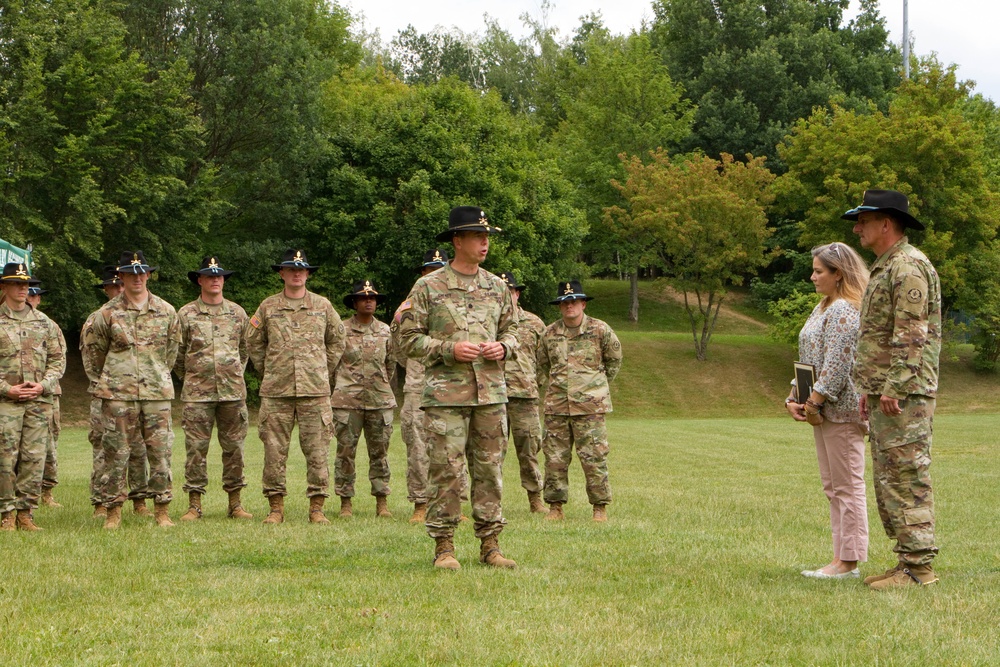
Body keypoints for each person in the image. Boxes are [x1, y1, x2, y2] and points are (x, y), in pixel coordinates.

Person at [396, 206, 519, 570]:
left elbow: (514, 330)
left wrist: (505, 347)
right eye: (477, 237)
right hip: (446, 397)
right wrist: (448, 350)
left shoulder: (497, 287)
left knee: (490, 470)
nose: (485, 243)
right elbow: (406, 338)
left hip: (491, 395)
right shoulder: (428, 287)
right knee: (446, 471)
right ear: (457, 241)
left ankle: (491, 545)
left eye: (487, 237)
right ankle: (444, 547)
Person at [845, 189, 942, 589]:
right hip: (887, 391)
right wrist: (873, 391)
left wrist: (895, 388)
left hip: (905, 393)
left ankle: (919, 569)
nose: (857, 228)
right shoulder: (887, 267)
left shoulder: (908, 267)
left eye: (863, 221)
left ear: (885, 223)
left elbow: (911, 334)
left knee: (907, 475)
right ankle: (906, 563)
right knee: (890, 476)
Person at [785, 243, 870, 580]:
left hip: (841, 411)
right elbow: (811, 361)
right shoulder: (823, 307)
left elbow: (836, 365)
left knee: (848, 485)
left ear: (839, 274)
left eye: (819, 270)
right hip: (820, 408)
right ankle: (839, 558)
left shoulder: (845, 311)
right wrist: (793, 396)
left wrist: (815, 400)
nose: (812, 276)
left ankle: (848, 562)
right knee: (833, 487)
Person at [245, 249, 346, 524]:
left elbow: (337, 341)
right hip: (277, 392)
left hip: (315, 391)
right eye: (291, 269)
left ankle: (317, 508)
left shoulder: (323, 306)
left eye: (301, 269)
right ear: (282, 273)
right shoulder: (268, 307)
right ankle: (276, 507)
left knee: (317, 450)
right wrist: (269, 370)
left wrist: (322, 370)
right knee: (274, 451)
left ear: (308, 274)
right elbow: (253, 342)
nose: (297, 273)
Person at [83, 251, 180, 529]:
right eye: (130, 273)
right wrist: (113, 380)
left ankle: (162, 510)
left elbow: (170, 353)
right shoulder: (106, 314)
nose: (137, 277)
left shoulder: (166, 311)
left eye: (141, 272)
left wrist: (156, 375)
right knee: (116, 453)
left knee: (160, 452)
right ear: (122, 277)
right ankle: (113, 511)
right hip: (118, 394)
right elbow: (95, 355)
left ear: (148, 275)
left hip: (156, 395)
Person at [175, 257, 253, 521]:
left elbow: (244, 351)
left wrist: (232, 374)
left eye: (219, 276)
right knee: (196, 449)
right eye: (209, 276)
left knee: (235, 449)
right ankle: (194, 505)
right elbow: (177, 353)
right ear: (200, 280)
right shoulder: (185, 314)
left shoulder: (238, 313)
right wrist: (194, 377)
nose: (215, 280)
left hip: (232, 393)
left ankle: (235, 504)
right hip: (198, 394)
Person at [537, 280, 622, 522]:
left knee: (594, 457)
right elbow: (542, 365)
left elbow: (614, 362)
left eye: (573, 301)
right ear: (559, 307)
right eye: (564, 303)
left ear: (583, 304)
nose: (569, 306)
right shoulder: (549, 333)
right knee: (554, 459)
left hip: (590, 407)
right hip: (557, 406)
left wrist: (594, 387)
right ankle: (555, 507)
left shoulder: (600, 330)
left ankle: (599, 507)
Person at [81, 266, 152, 519]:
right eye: (114, 287)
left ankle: (140, 499)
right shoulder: (98, 317)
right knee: (105, 448)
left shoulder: (145, 312)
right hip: (106, 394)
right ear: (107, 289)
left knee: (139, 449)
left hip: (140, 393)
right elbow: (92, 358)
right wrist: (108, 384)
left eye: (121, 287)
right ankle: (101, 501)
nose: (119, 290)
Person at [0, 264, 65, 531]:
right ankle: (6, 514)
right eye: (16, 283)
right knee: (4, 458)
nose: (23, 288)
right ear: (3, 287)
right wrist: (6, 389)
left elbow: (58, 360)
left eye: (26, 283)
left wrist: (43, 385)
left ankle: (26, 512)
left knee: (34, 458)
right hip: (6, 402)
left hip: (39, 402)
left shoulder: (44, 322)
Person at [332, 280, 396, 518]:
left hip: (379, 401)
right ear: (354, 302)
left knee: (380, 454)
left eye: (373, 298)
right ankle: (345, 502)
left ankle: (382, 502)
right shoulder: (341, 330)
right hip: (347, 402)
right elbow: (332, 363)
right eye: (363, 298)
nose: (369, 301)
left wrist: (381, 387)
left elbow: (390, 365)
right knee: (345, 453)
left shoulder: (385, 330)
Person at [393, 249, 448, 524]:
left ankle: (454, 504)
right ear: (423, 274)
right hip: (417, 385)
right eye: (430, 269)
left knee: (452, 446)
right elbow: (399, 349)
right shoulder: (407, 309)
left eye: (440, 268)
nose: (435, 273)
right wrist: (419, 368)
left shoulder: (459, 303)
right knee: (416, 446)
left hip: (451, 383)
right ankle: (420, 503)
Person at [498, 271, 547, 514]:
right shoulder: (487, 323)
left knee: (529, 450)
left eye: (511, 291)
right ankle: (491, 502)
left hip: (525, 396)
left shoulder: (535, 324)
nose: (507, 296)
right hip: (493, 395)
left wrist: (533, 382)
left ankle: (535, 499)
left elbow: (545, 360)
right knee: (490, 453)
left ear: (517, 293)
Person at [25, 285, 67, 509]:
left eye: (34, 295)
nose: (30, 298)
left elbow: (58, 358)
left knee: (48, 444)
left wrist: (44, 385)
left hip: (46, 394)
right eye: (27, 293)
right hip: (12, 393)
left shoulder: (49, 325)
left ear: (39, 298)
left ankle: (47, 492)